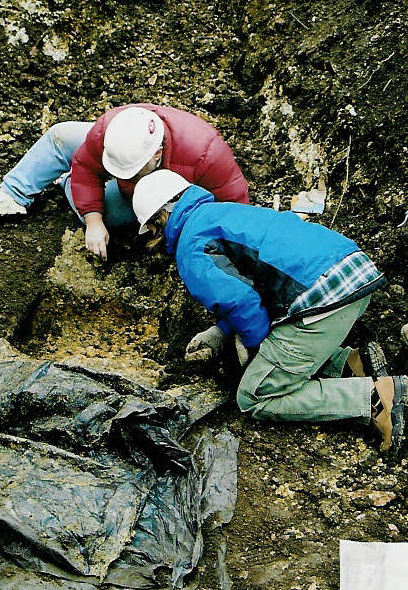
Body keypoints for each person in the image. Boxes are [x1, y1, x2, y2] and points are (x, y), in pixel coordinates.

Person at [132, 169, 407, 454]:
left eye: (152, 230)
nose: (154, 238)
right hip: (353, 275)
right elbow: (250, 278)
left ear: (160, 218)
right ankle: (352, 365)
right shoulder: (222, 212)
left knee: (255, 395)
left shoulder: (190, 248)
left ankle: (376, 400)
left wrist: (254, 350)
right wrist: (222, 331)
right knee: (282, 348)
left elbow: (242, 302)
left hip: (321, 301)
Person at [0, 103, 249, 260]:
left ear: (158, 154)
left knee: (107, 212)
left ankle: (65, 184)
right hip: (116, 158)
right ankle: (13, 194)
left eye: (132, 171)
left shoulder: (206, 153)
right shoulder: (113, 128)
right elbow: (86, 163)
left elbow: (236, 204)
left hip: (152, 195)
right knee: (61, 136)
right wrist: (93, 222)